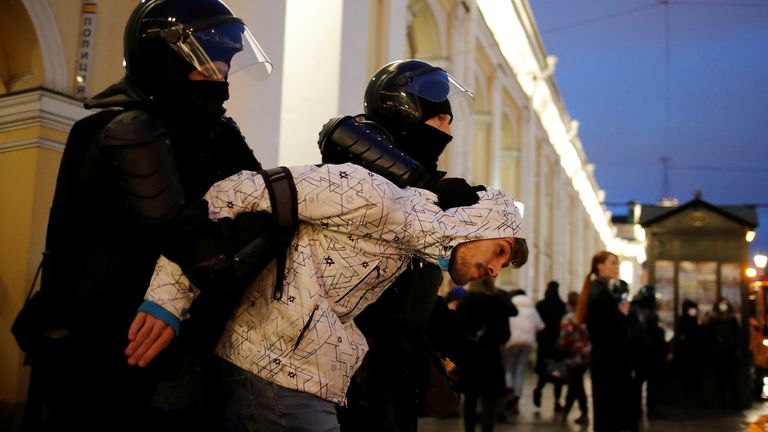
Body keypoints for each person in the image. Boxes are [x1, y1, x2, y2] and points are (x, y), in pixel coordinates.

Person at [14, 1, 273, 431]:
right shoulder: (123, 129)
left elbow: (261, 211)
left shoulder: (218, 133)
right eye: (210, 67)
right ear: (163, 58)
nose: (222, 79)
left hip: (193, 347)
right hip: (113, 350)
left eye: (226, 68)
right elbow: (193, 241)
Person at [126, 162, 529, 432]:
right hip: (272, 364)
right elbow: (233, 192)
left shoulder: (410, 245)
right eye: (500, 251)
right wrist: (168, 297)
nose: (495, 270)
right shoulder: (374, 196)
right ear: (480, 221)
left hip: (301, 374)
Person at [318, 59, 485, 431]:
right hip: (350, 361)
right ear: (405, 110)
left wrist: (458, 342)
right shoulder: (362, 158)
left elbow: (415, 283)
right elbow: (339, 134)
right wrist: (430, 186)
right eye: (439, 120)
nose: (447, 133)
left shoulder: (419, 196)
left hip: (396, 365)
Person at [575, 251, 638, 432]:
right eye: (612, 263)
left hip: (606, 357)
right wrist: (624, 316)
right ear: (599, 266)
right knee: (612, 408)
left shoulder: (600, 289)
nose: (616, 267)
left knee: (606, 408)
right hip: (611, 358)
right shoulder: (602, 291)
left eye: (617, 263)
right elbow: (606, 327)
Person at [455, 277, 513, 432]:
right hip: (490, 355)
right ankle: (487, 429)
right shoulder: (495, 302)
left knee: (470, 398)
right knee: (489, 399)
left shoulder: (466, 302)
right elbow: (512, 312)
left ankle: (469, 429)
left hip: (470, 355)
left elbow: (458, 329)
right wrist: (494, 293)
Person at [630, 284, 669, 419]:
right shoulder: (646, 312)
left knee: (639, 383)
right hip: (648, 353)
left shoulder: (635, 309)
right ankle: (648, 409)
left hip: (640, 353)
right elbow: (655, 333)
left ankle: (637, 410)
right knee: (648, 382)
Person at [503, 290, 544, 415]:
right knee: (521, 370)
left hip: (511, 342)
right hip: (527, 343)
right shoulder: (532, 311)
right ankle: (516, 396)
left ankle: (509, 389)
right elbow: (541, 326)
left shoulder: (509, 308)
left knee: (509, 368)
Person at [556, 291, 591, 425]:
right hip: (585, 354)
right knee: (575, 383)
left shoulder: (568, 318)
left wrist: (560, 346)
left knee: (575, 384)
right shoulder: (585, 316)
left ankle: (580, 411)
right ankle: (569, 411)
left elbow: (564, 338)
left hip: (573, 355)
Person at [532, 280, 567, 412]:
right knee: (558, 373)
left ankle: (538, 390)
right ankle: (557, 401)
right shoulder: (562, 306)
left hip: (544, 343)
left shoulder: (541, 305)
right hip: (557, 344)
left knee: (543, 372)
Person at [703, 297, 742, 409]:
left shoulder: (732, 320)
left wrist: (732, 343)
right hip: (719, 354)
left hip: (730, 354)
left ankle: (735, 402)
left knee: (733, 379)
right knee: (720, 379)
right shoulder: (713, 320)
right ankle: (722, 402)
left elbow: (738, 335)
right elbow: (709, 336)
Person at [674, 299, 703, 407]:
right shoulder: (682, 321)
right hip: (685, 355)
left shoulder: (697, 321)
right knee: (686, 378)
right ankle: (688, 398)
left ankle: (696, 398)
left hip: (695, 355)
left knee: (696, 378)